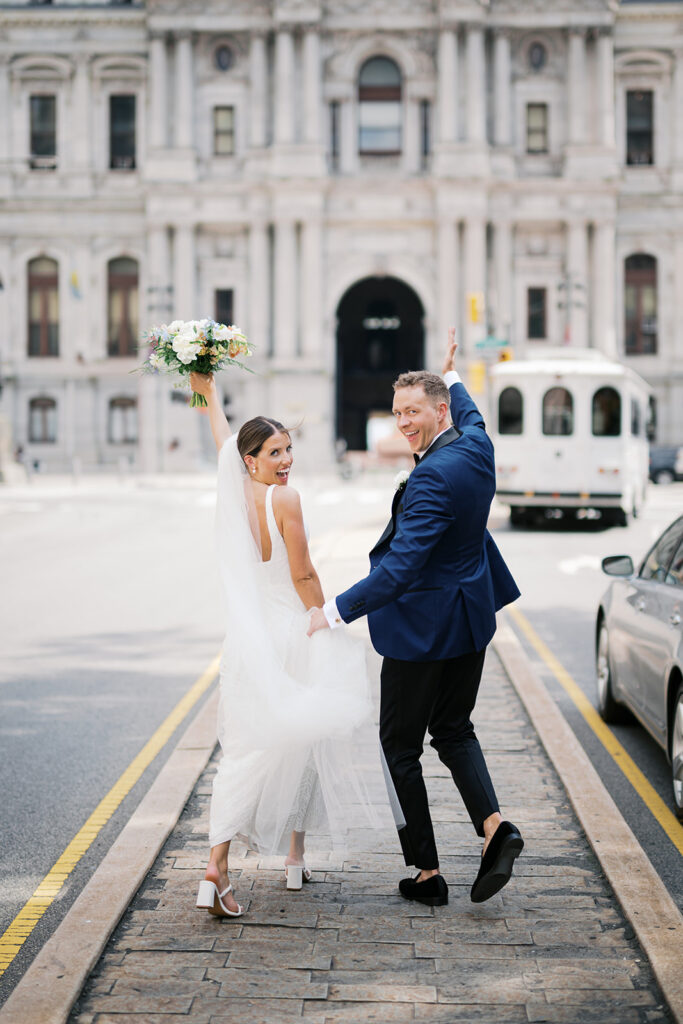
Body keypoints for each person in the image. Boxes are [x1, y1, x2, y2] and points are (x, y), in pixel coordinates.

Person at [308, 330, 523, 907]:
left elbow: (399, 570)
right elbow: (475, 414)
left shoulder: (433, 476)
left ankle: (426, 875)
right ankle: (495, 827)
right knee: (453, 729)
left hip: (422, 633)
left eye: (414, 412)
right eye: (398, 411)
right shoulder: (476, 447)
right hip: (470, 620)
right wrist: (451, 372)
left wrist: (332, 611)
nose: (403, 422)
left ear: (438, 412)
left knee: (399, 747)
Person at [190, 371, 381, 919]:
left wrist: (208, 391)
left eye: (289, 449)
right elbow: (303, 574)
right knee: (304, 741)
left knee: (247, 749)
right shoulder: (285, 499)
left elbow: (223, 439)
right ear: (252, 460)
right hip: (290, 631)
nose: (286, 459)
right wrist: (327, 618)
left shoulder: (232, 491)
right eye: (275, 451)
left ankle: (219, 863)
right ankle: (291, 855)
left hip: (247, 642)